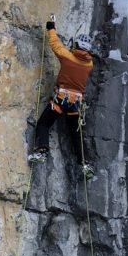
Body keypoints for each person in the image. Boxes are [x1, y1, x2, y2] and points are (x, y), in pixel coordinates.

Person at [29, 18, 97, 181]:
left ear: (75, 45)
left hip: (61, 100)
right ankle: (84, 163)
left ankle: (42, 151)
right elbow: (79, 58)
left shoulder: (67, 57)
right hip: (76, 105)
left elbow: (56, 45)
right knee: (76, 135)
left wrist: (51, 28)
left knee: (44, 123)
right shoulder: (89, 65)